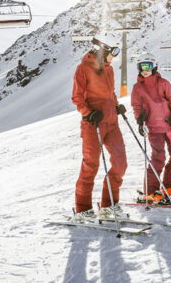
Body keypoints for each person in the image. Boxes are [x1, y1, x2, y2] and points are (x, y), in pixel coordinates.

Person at [70, 40, 128, 223]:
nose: (114, 59)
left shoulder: (109, 69)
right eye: (113, 54)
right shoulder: (84, 68)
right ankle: (83, 209)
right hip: (93, 124)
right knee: (91, 165)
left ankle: (108, 205)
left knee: (120, 163)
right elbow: (77, 97)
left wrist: (116, 105)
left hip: (112, 123)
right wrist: (88, 113)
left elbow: (110, 93)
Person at [130, 53, 171, 204]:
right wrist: (140, 121)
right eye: (142, 67)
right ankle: (150, 192)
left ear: (154, 66)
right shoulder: (137, 88)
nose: (145, 70)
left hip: (170, 126)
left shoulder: (163, 83)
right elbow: (136, 106)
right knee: (158, 158)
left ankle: (170, 186)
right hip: (154, 129)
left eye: (148, 66)